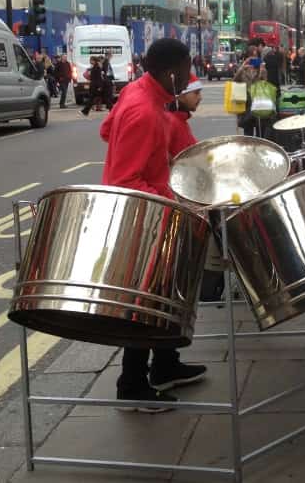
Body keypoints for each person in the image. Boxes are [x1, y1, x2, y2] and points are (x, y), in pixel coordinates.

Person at [99, 38, 206, 411]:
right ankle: (132, 385)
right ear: (170, 72)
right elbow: (126, 181)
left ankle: (165, 365)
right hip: (141, 216)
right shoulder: (144, 110)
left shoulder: (143, 92)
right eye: (187, 69)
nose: (191, 76)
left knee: (164, 294)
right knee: (144, 302)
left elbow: (106, 129)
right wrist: (172, 199)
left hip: (156, 208)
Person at [233, 54, 267, 137]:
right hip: (246, 106)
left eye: (255, 62)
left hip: (258, 105)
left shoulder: (261, 71)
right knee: (248, 132)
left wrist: (262, 71)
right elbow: (235, 80)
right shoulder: (243, 72)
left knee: (260, 132)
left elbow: (265, 83)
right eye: (250, 62)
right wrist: (242, 67)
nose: (252, 65)